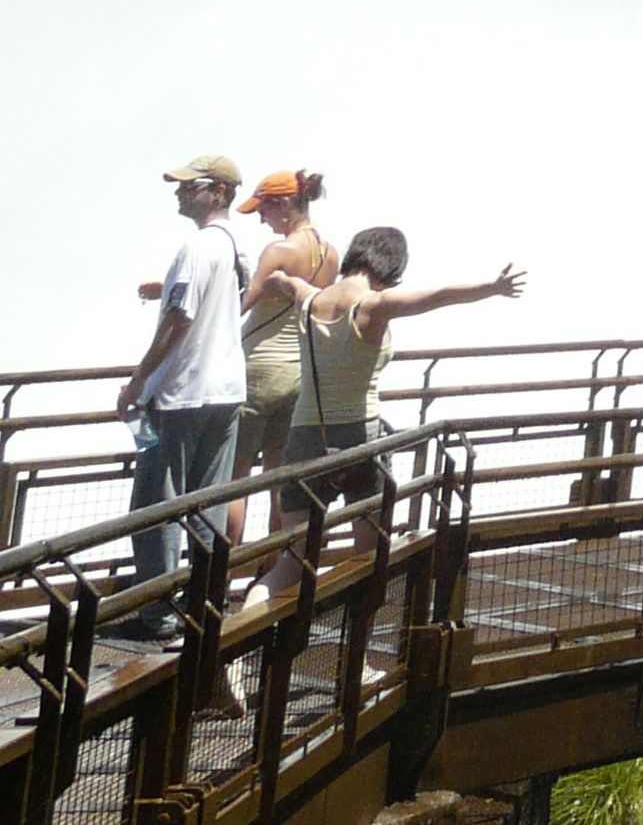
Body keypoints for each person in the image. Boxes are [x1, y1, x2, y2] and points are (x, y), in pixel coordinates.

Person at [257, 228, 522, 594]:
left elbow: (283, 281)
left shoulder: (308, 299)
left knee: (293, 562)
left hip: (304, 439)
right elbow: (439, 296)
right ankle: (356, 641)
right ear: (391, 266)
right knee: (368, 556)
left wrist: (274, 277)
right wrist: (491, 288)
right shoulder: (373, 306)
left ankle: (233, 641)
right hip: (359, 441)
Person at [115, 155, 250, 642]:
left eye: (189, 186)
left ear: (216, 191)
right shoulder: (236, 245)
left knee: (158, 508)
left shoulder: (197, 246)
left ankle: (159, 616)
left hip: (180, 394)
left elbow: (180, 319)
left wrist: (137, 382)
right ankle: (205, 604)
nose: (179, 193)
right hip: (226, 391)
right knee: (208, 505)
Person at [229, 171, 336, 541]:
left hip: (258, 370)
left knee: (234, 479)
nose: (261, 218)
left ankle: (218, 577)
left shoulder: (278, 252)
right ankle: (274, 563)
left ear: (285, 204)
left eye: (264, 208)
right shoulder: (330, 253)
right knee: (278, 476)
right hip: (297, 374)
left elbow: (241, 305)